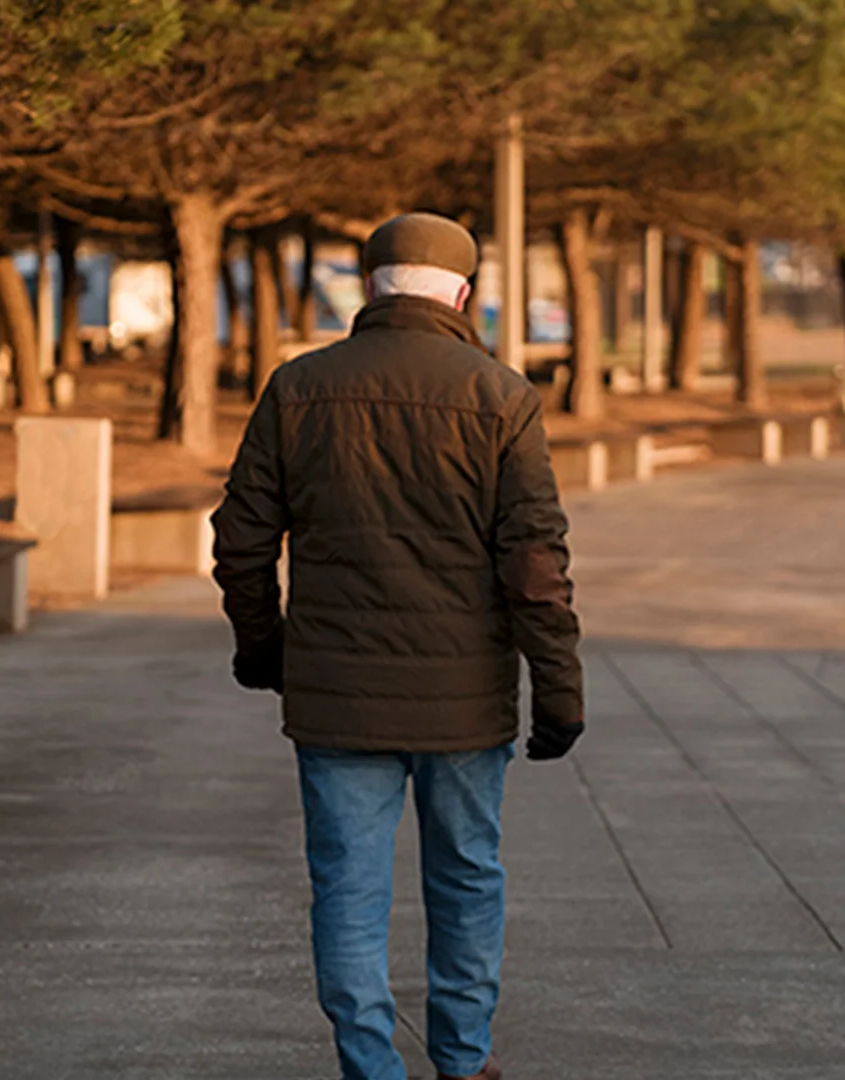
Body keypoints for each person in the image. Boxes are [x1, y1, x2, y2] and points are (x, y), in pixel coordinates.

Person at [212, 212, 585, 1080]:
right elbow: (535, 566)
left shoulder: (298, 389)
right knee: (467, 875)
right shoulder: (501, 397)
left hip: (337, 700)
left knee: (348, 886)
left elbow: (240, 540)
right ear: (463, 295)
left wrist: (265, 650)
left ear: (370, 285)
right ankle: (463, 1058)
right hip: (464, 702)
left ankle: (370, 1066)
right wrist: (559, 689)